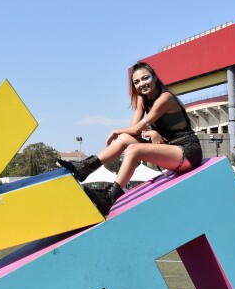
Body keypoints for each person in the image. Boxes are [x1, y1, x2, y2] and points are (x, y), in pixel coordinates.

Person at [57, 61, 203, 216]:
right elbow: (134, 131)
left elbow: (138, 128)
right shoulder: (143, 99)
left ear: (154, 77)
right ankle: (84, 167)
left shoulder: (165, 98)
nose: (141, 84)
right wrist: (150, 133)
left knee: (134, 149)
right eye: (137, 82)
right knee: (126, 139)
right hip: (169, 148)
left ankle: (110, 197)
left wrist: (117, 131)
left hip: (187, 151)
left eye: (145, 78)